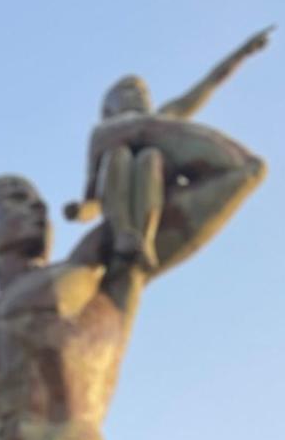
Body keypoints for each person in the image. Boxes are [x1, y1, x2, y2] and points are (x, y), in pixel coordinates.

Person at [63, 28, 273, 267]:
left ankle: (145, 239)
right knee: (119, 156)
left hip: (157, 191)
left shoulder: (162, 118)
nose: (140, 94)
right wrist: (79, 212)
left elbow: (206, 86)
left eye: (144, 91)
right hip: (118, 200)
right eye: (129, 90)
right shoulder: (102, 134)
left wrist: (242, 53)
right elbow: (94, 198)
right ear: (109, 108)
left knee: (151, 157)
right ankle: (124, 232)